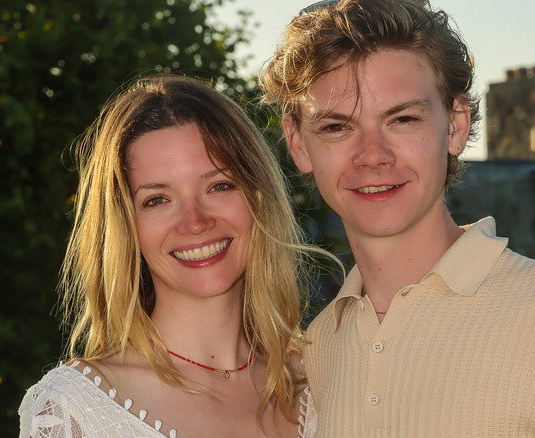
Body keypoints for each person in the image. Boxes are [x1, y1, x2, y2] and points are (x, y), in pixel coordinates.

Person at [259, 0, 535, 436]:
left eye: (403, 119)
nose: (373, 156)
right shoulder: (317, 351)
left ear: (457, 125)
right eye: (336, 127)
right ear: (297, 143)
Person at [19, 75, 319, 438]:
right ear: (127, 228)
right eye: (157, 200)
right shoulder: (77, 412)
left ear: (259, 199)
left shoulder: (325, 382)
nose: (195, 223)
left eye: (219, 185)